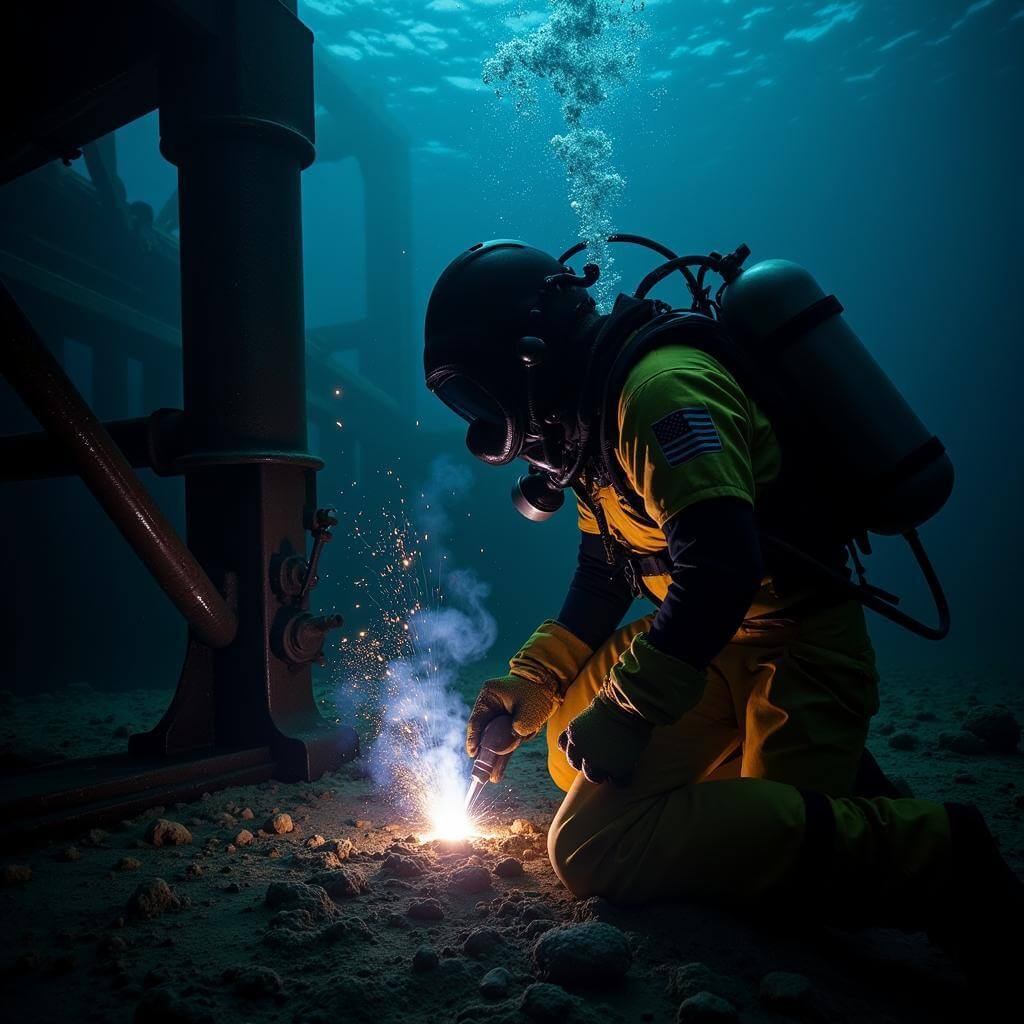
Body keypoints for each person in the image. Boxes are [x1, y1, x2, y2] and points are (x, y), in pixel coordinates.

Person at [423, 239, 1021, 990]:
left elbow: (723, 565)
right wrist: (532, 683)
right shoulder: (588, 428)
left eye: (475, 397)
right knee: (568, 744)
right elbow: (605, 573)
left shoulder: (659, 393)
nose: (484, 428)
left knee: (590, 848)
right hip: (713, 648)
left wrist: (633, 712)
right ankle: (826, 787)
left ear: (528, 357)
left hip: (792, 642)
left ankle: (939, 852)